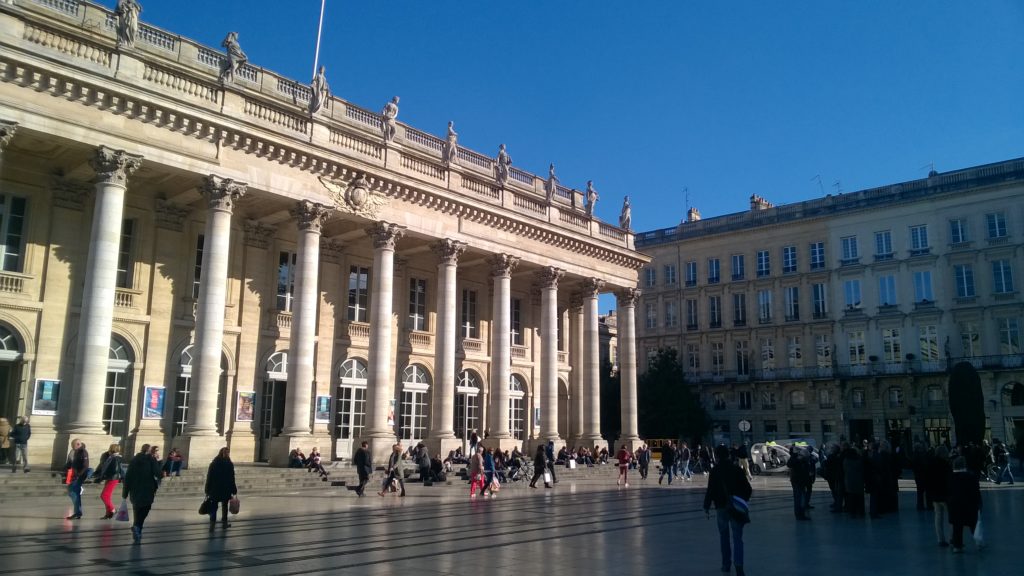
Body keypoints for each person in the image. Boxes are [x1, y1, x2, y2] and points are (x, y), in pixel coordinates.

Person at [703, 445, 753, 576]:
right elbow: (748, 489)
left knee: (724, 537)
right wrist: (742, 500)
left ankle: (726, 565)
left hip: (720, 507)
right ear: (729, 455)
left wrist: (706, 506)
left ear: (717, 456)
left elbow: (710, 490)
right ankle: (739, 566)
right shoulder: (737, 469)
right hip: (736, 507)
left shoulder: (715, 471)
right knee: (738, 538)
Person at [122, 443, 162, 543]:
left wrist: (125, 492)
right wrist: (159, 464)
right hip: (147, 488)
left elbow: (128, 477)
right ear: (149, 451)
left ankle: (137, 529)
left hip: (134, 489)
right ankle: (137, 527)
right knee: (146, 508)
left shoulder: (134, 460)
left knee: (136, 510)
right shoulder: (151, 460)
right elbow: (158, 473)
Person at [947, 456, 982, 553]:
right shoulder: (971, 476)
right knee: (973, 525)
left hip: (955, 505)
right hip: (969, 505)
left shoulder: (950, 477)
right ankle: (978, 543)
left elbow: (948, 491)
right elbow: (976, 492)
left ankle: (957, 545)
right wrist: (979, 503)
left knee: (957, 527)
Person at [205, 447, 237, 532]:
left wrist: (207, 489)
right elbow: (232, 478)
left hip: (214, 488)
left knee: (214, 507)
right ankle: (224, 523)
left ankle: (212, 525)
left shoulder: (214, 463)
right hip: (225, 489)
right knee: (224, 506)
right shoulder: (229, 464)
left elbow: (209, 477)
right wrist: (234, 489)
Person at [926, 446, 952, 547]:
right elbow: (949, 479)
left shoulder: (930, 463)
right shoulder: (945, 464)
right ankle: (952, 537)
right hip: (945, 494)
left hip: (934, 494)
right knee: (951, 517)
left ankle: (940, 539)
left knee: (938, 517)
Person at [95, 443, 124, 519]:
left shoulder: (115, 458)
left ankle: (112, 509)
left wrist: (103, 476)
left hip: (112, 478)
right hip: (110, 478)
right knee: (107, 496)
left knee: (104, 495)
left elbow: (114, 470)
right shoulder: (112, 457)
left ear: (112, 449)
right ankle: (108, 514)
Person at [65, 439, 91, 520]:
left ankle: (78, 512)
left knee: (74, 493)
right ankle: (78, 512)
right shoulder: (76, 451)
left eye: (73, 445)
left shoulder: (83, 452)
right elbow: (72, 463)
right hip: (76, 475)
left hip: (79, 476)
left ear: (78, 444)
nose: (72, 447)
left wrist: (79, 474)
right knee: (72, 491)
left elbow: (85, 465)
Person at [787, 446, 811, 520]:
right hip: (798, 482)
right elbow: (789, 464)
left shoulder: (803, 461)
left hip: (799, 482)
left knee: (799, 499)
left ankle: (800, 514)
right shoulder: (798, 461)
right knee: (799, 499)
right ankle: (799, 515)